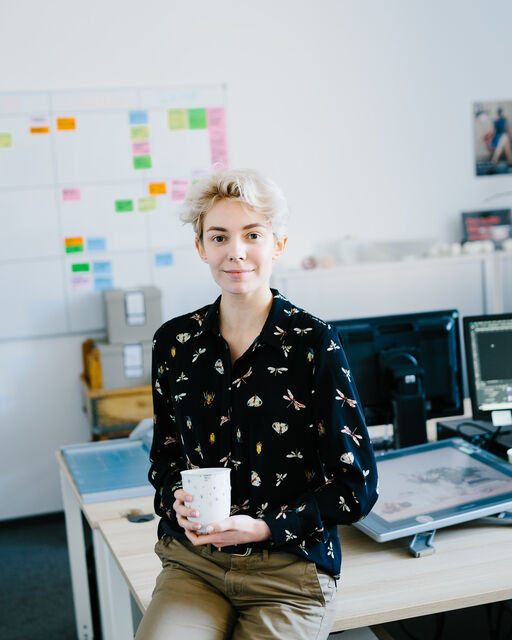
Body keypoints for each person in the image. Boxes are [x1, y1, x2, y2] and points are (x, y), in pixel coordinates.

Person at [135, 168, 378, 640]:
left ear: (278, 245)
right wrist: (174, 500)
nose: (236, 251)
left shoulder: (313, 342)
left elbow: (356, 486)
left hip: (288, 572)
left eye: (252, 235)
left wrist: (264, 528)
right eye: (219, 236)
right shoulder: (175, 342)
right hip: (195, 566)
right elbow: (165, 457)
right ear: (201, 248)